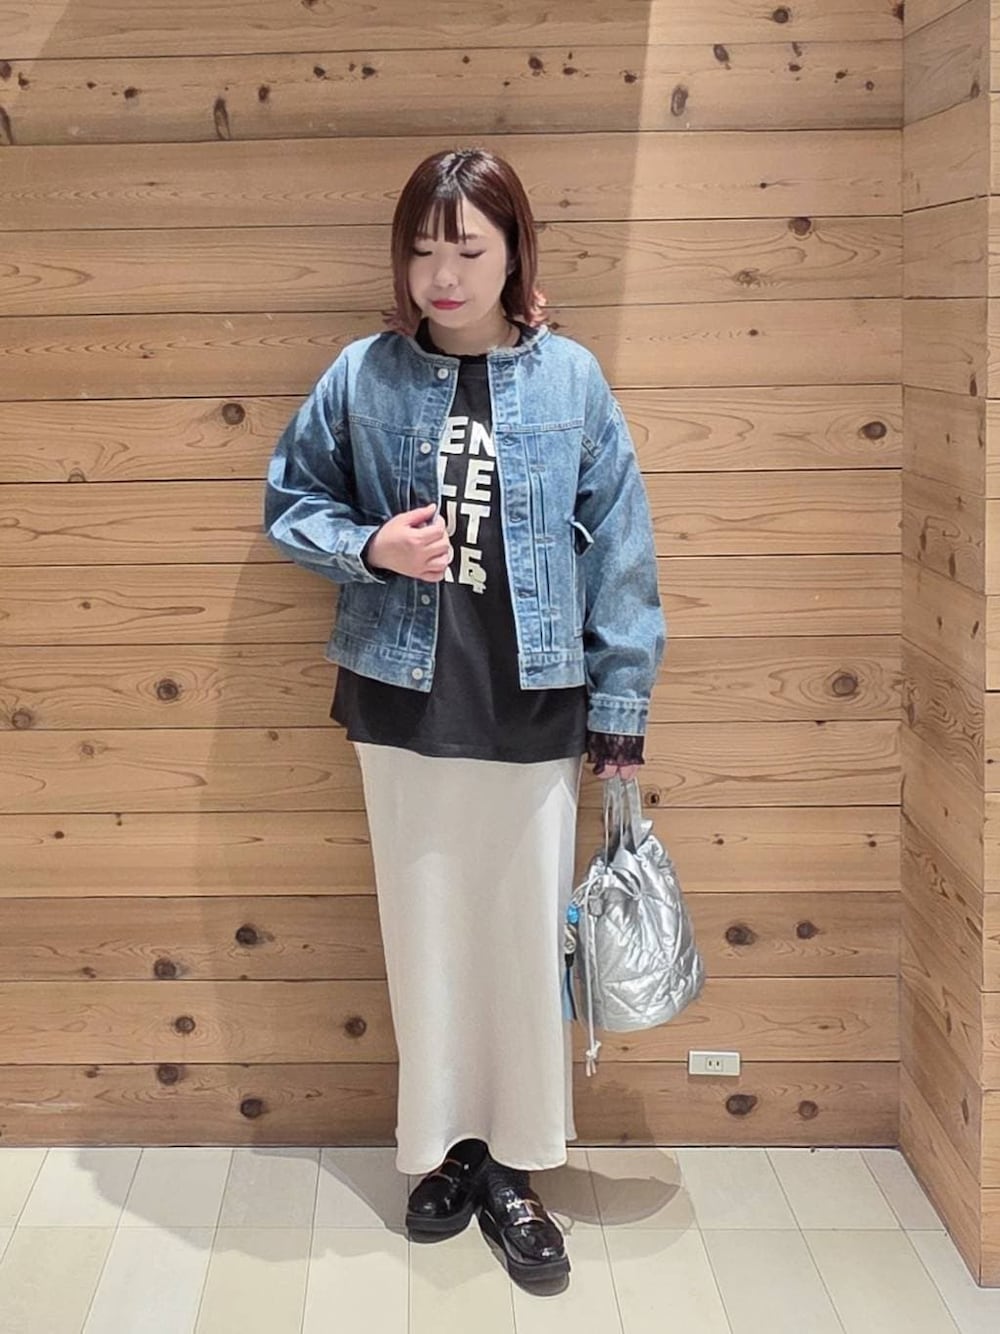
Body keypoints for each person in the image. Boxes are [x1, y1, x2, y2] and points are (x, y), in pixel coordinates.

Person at [263, 147, 665, 1289]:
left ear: (513, 253)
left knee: (524, 944)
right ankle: (444, 1150)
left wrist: (621, 706)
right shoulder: (364, 375)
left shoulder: (571, 379)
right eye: (423, 250)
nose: (443, 275)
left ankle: (520, 1167)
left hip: (533, 702)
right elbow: (290, 501)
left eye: (468, 249)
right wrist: (370, 546)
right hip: (402, 700)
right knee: (425, 938)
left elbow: (622, 547)